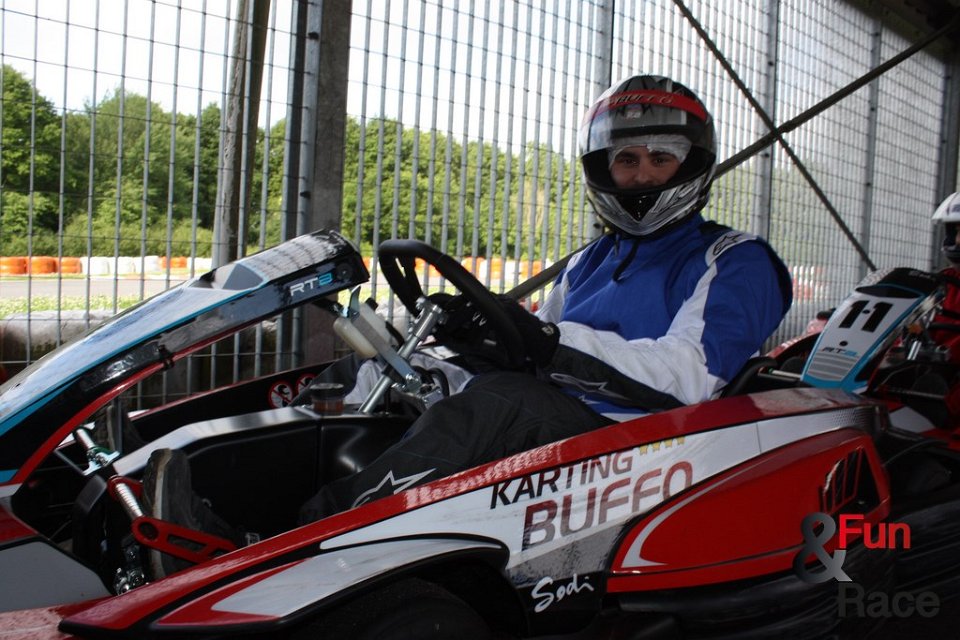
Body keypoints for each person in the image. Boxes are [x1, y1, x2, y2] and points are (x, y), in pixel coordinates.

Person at [142, 74, 793, 576]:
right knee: (365, 373)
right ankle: (182, 481)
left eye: (660, 158)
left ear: (692, 164)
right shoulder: (590, 261)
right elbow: (536, 349)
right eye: (627, 160)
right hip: (560, 427)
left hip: (648, 450)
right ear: (604, 169)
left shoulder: (736, 260)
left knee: (502, 404)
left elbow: (687, 379)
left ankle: (271, 555)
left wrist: (545, 343)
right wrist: (455, 344)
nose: (642, 174)